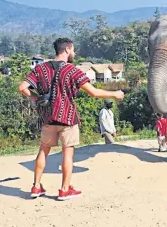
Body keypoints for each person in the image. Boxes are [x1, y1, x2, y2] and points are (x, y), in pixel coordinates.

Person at [18, 37, 124, 201]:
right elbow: (94, 92)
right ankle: (64, 189)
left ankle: (36, 186)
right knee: (67, 154)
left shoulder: (40, 68)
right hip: (67, 117)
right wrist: (115, 94)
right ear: (67, 49)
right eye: (73, 50)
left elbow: (22, 88)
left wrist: (36, 98)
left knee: (43, 150)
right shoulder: (72, 70)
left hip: (48, 118)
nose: (74, 53)